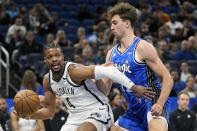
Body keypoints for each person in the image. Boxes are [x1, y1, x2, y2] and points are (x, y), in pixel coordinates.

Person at [16, 43, 153, 131]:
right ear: (46, 60)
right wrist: (28, 116)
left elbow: (109, 71)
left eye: (57, 55)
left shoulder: (74, 71)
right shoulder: (47, 80)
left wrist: (134, 87)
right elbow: (49, 112)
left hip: (98, 109)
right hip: (75, 116)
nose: (54, 59)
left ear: (62, 56)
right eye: (50, 57)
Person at [106, 2, 173, 131]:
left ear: (127, 23)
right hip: (133, 110)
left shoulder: (142, 47)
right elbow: (105, 89)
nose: (111, 27)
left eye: (115, 23)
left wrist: (160, 104)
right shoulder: (111, 54)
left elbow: (168, 78)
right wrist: (94, 74)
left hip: (152, 102)